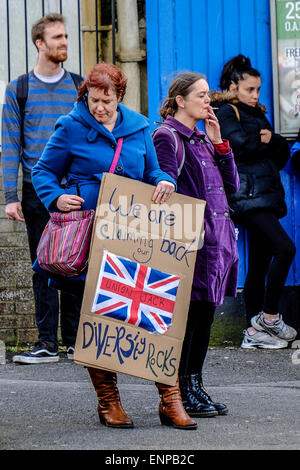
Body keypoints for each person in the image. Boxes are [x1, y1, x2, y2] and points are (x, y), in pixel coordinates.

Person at [31, 61, 199, 430]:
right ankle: (109, 402)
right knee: (102, 317)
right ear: (85, 96)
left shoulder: (139, 127)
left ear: (119, 96)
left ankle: (169, 401)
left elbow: (154, 171)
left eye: (106, 100)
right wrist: (56, 197)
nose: (99, 108)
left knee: (154, 311)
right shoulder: (70, 127)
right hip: (90, 236)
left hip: (136, 235)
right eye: (93, 100)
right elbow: (42, 171)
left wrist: (165, 181)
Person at [152, 72, 239, 418]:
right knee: (187, 318)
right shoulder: (167, 136)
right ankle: (179, 392)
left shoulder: (204, 139)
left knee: (205, 316)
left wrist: (220, 143)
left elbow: (231, 184)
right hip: (191, 240)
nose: (208, 101)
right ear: (180, 101)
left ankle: (194, 385)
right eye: (201, 96)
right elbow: (164, 181)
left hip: (217, 238)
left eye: (208, 95)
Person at [1, 13, 84, 364]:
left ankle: (76, 341)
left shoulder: (80, 87)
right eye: (57, 37)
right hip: (37, 190)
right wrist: (10, 196)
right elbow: (9, 145)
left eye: (66, 37)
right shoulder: (18, 89)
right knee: (44, 264)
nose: (64, 42)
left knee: (77, 263)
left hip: (77, 188)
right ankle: (47, 342)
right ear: (39, 43)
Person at [211, 54, 297, 349]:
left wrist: (271, 140)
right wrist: (267, 141)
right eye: (250, 89)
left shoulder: (257, 114)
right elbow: (239, 147)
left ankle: (252, 331)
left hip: (265, 196)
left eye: (258, 89)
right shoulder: (225, 112)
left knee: (260, 262)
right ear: (233, 87)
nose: (256, 95)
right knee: (285, 249)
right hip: (246, 197)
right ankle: (270, 318)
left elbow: (281, 153)